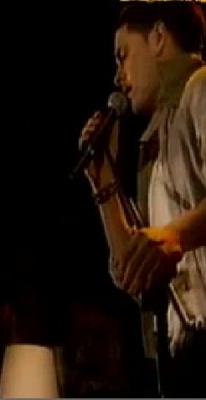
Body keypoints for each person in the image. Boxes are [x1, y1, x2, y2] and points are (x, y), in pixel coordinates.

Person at [79, 1, 206, 397]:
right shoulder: (153, 140)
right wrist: (102, 178)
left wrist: (175, 236)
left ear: (158, 37)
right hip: (183, 354)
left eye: (123, 55)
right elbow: (133, 273)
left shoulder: (200, 89)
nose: (118, 76)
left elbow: (167, 240)